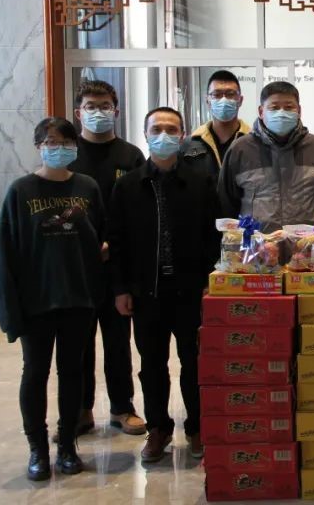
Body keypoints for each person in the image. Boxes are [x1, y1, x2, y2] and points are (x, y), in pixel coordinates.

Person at [0, 118, 106, 481]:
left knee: (73, 372)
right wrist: (9, 306)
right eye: (51, 142)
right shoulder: (21, 190)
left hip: (78, 298)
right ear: (39, 145)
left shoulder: (87, 187)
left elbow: (101, 239)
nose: (59, 148)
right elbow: (8, 251)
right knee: (35, 373)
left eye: (66, 142)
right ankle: (37, 449)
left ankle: (68, 446)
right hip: (36, 300)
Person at [109, 107, 221, 464]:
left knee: (195, 362)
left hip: (191, 291)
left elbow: (213, 238)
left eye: (172, 129)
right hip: (147, 293)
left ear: (183, 134)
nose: (164, 135)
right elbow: (117, 241)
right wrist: (121, 288)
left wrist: (210, 281)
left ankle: (197, 427)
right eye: (156, 129)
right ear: (145, 134)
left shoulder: (201, 182)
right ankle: (158, 428)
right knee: (152, 365)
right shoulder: (128, 185)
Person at [66, 80, 145, 437]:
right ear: (78, 112)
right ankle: (81, 410)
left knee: (118, 341)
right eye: (90, 106)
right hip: (77, 267)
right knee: (78, 344)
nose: (98, 112)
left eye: (105, 106)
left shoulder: (131, 156)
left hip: (118, 267)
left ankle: (122, 408)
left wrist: (116, 244)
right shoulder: (68, 155)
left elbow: (139, 211)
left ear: (116, 110)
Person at [218, 81, 314, 231]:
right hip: (257, 244)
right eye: (274, 107)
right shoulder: (240, 149)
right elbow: (226, 205)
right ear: (261, 112)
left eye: (289, 107)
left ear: (299, 111)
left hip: (309, 243)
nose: (281, 113)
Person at [183, 70, 252, 179]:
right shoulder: (189, 145)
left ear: (240, 100)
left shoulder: (255, 142)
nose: (224, 100)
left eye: (230, 94)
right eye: (216, 95)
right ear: (207, 101)